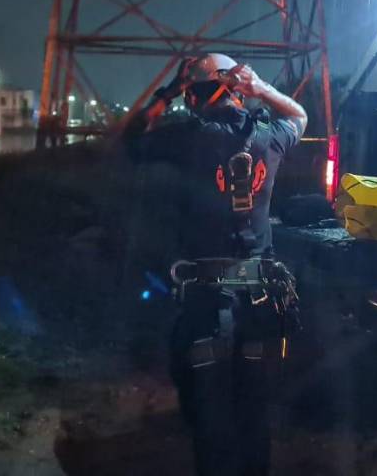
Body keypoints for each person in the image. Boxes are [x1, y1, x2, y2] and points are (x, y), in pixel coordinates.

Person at [124, 53, 306, 476]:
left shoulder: (184, 137)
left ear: (192, 95)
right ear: (237, 91)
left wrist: (166, 93)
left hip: (207, 304)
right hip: (259, 302)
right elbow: (299, 115)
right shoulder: (270, 135)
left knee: (209, 414)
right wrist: (261, 89)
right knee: (254, 411)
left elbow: (132, 140)